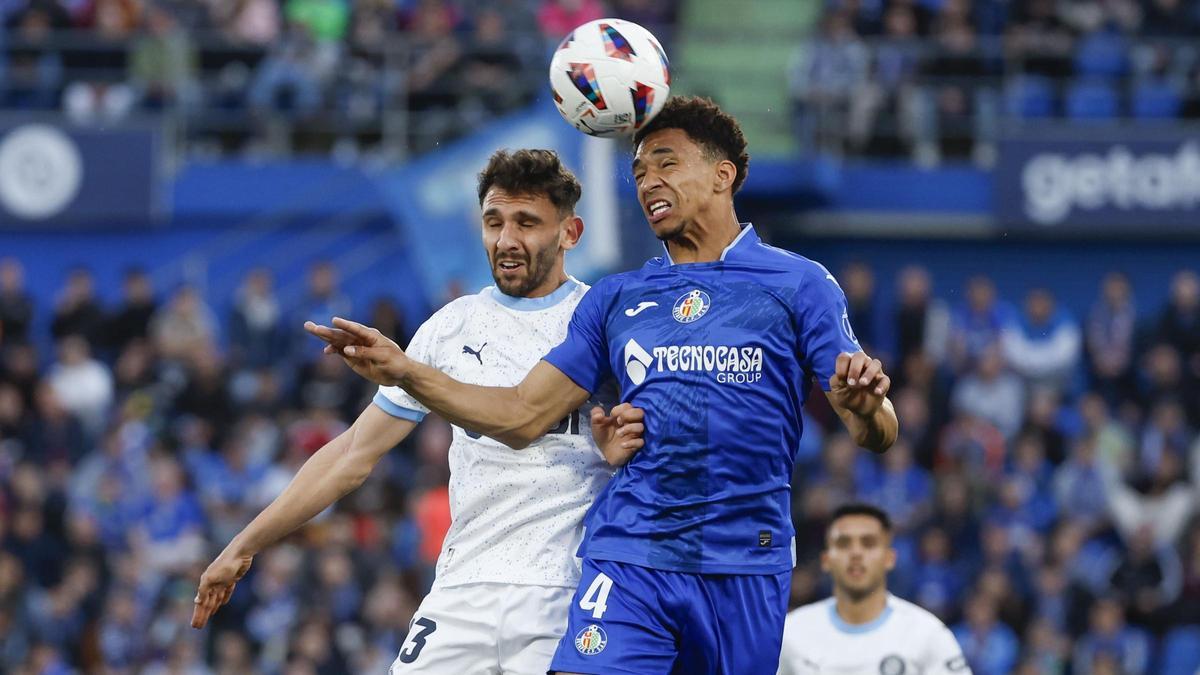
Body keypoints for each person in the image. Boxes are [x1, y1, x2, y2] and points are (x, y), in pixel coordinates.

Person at [308, 96, 897, 674]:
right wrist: (408, 371)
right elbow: (521, 413)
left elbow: (876, 433)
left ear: (723, 176)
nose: (647, 182)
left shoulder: (799, 283)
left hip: (744, 560)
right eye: (639, 170)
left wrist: (865, 410)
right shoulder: (619, 298)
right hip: (631, 554)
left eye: (667, 163)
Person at [191, 149, 644, 675]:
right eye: (494, 222)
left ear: (571, 232)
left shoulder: (602, 322)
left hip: (565, 590)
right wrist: (244, 546)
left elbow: (548, 424)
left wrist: (622, 459)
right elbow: (353, 454)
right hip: (461, 591)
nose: (507, 240)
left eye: (527, 223)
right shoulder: (451, 327)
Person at [778, 503, 969, 674]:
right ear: (826, 560)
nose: (856, 553)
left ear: (889, 558)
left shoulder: (927, 635)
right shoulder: (791, 634)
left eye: (868, 543)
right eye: (843, 544)